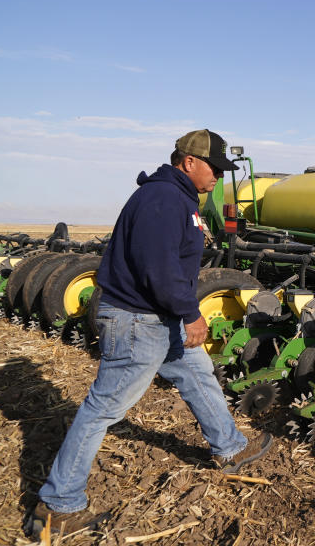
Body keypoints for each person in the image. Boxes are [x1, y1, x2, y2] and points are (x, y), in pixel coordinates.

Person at [27, 129, 273, 538]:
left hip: (156, 318)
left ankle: (230, 448)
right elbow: (159, 270)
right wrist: (191, 314)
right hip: (139, 321)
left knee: (196, 373)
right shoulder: (162, 198)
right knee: (102, 409)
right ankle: (57, 505)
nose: (217, 176)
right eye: (213, 168)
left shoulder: (177, 197)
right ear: (187, 162)